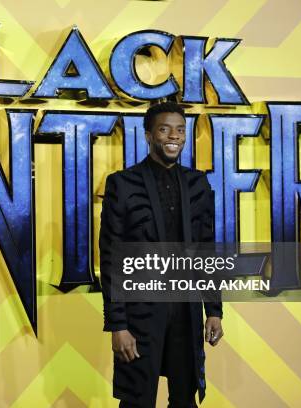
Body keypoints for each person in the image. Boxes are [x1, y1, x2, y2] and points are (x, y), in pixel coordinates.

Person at [99, 102, 223, 407]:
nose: (174, 136)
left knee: (185, 399)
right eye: (164, 129)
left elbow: (206, 250)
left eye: (180, 130)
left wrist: (214, 310)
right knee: (136, 400)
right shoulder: (122, 184)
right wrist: (118, 325)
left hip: (186, 310)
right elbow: (112, 256)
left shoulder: (198, 183)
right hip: (140, 312)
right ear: (148, 135)